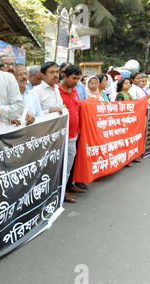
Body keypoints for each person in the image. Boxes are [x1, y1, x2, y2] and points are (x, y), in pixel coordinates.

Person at [58, 65, 84, 203]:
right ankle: (60, 193)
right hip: (61, 136)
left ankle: (65, 190)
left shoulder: (74, 91)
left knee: (68, 167)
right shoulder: (57, 92)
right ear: (65, 76)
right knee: (60, 167)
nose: (76, 81)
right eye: (74, 78)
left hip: (73, 135)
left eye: (78, 79)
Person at [115, 77, 142, 164]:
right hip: (123, 121)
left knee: (131, 140)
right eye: (126, 83)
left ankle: (131, 157)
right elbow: (117, 108)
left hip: (131, 121)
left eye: (129, 83)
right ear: (121, 85)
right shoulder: (120, 95)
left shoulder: (130, 94)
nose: (128, 84)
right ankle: (125, 160)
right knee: (124, 141)